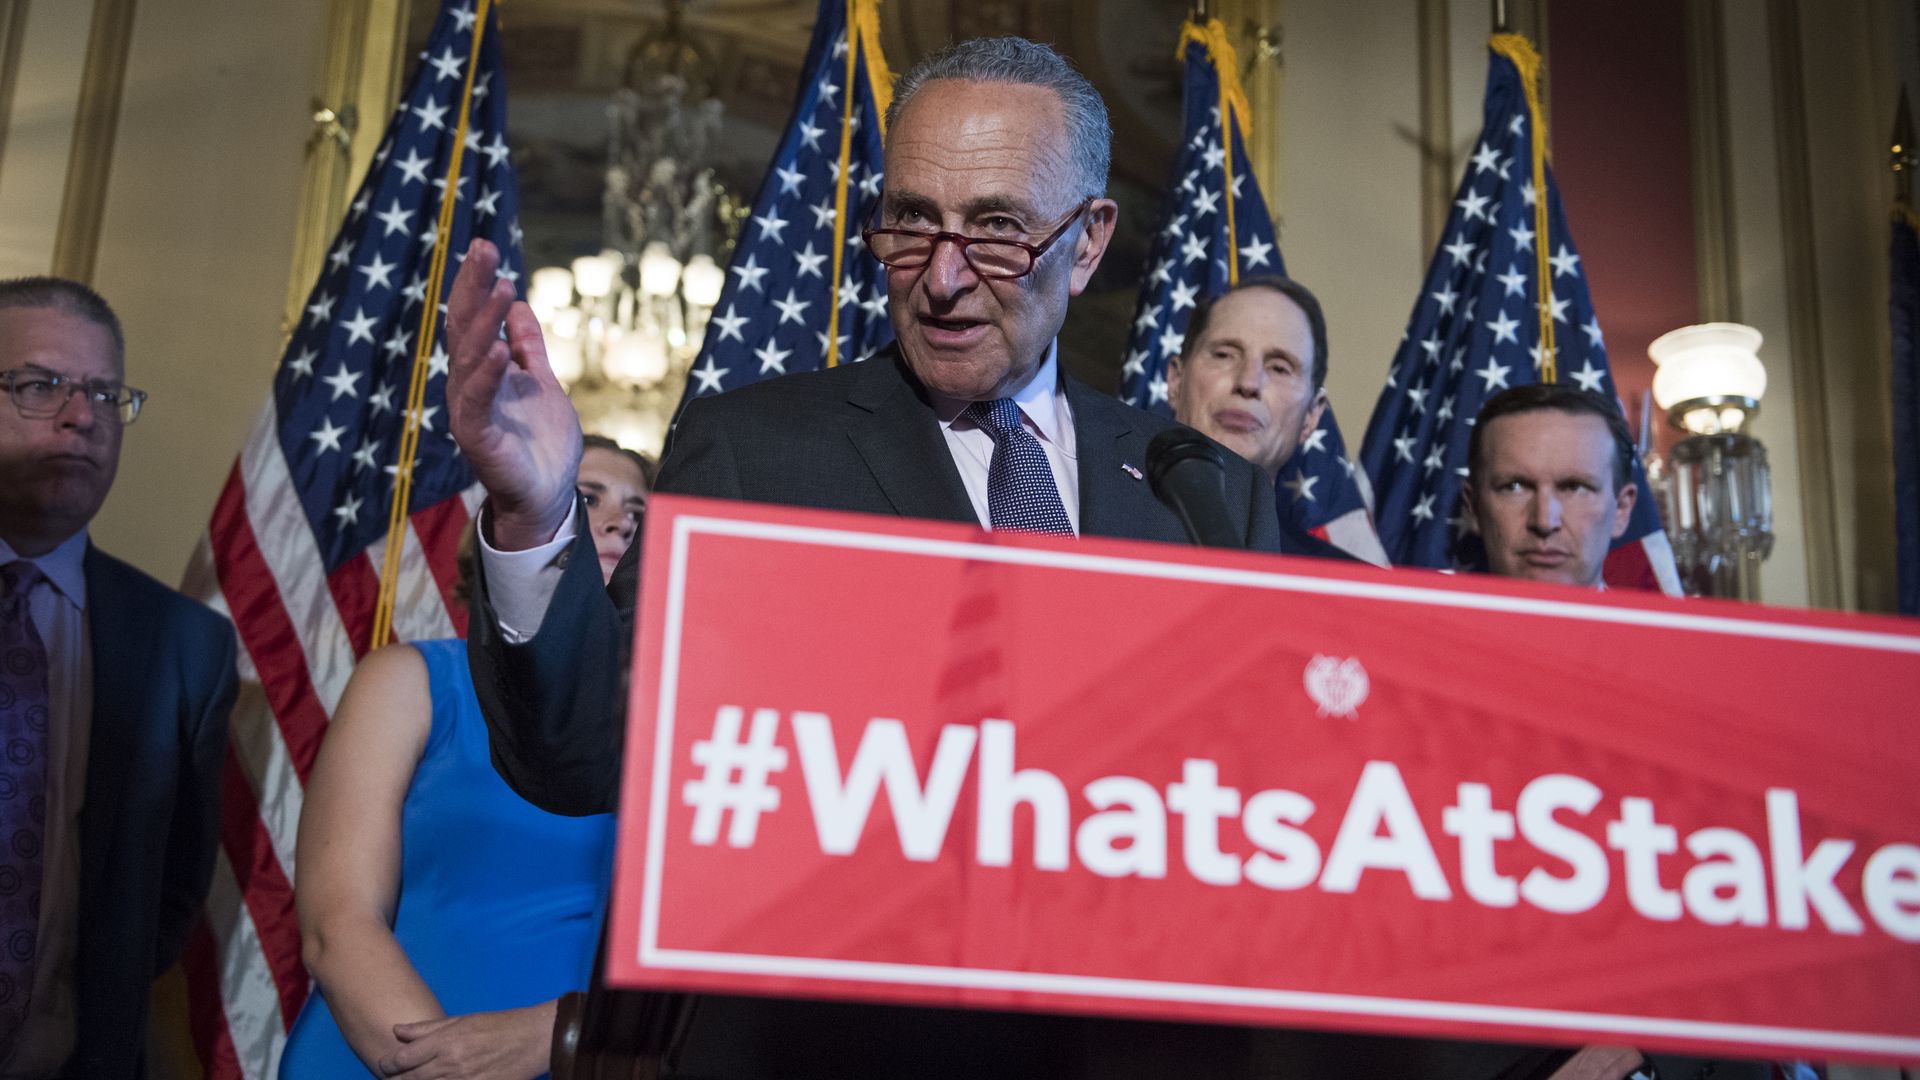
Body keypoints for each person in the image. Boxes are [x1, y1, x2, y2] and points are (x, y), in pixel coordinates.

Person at [443, 35, 1281, 819]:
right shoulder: (753, 454)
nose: (942, 278)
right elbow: (588, 753)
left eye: (996, 229)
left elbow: (1267, 792)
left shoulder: (1205, 494)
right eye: (914, 221)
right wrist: (537, 511)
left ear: (1090, 241)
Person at [278, 439, 648, 1078]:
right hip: (382, 1053)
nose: (620, 520)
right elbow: (339, 922)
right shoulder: (411, 681)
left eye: (639, 510)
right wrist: (440, 1068)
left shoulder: (684, 731)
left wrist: (559, 1038)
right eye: (587, 498)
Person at [0, 277, 236, 1076]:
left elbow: (170, 895)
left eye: (105, 392)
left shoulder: (186, 647)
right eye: (40, 385)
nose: (82, 415)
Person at [1168, 275, 1368, 560]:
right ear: (1176, 380)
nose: (1248, 383)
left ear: (1312, 414)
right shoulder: (1089, 528)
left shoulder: (1347, 591)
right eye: (1224, 355)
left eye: (1279, 368)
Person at [1462, 384, 1638, 590]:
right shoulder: (1420, 622)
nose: (1544, 522)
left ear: (1621, 509)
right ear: (1474, 508)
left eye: (1575, 487)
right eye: (1514, 487)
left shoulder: (1663, 623)